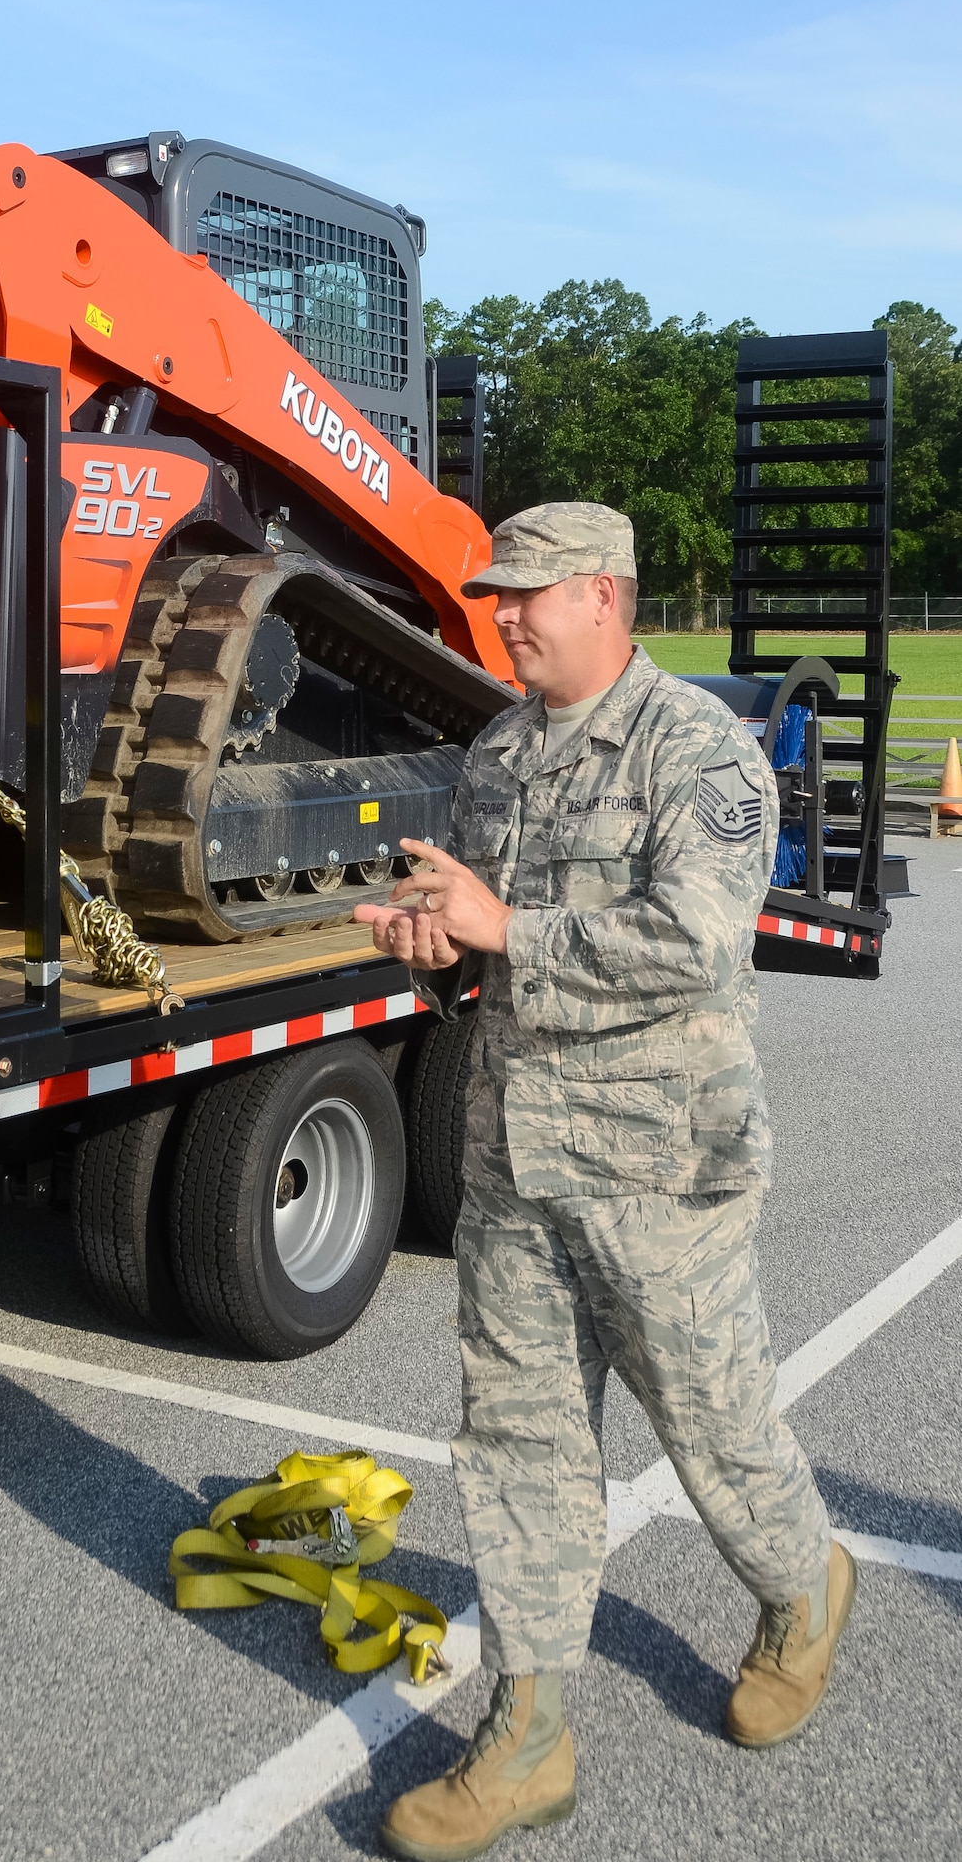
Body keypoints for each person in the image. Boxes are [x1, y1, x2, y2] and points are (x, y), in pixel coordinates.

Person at [354, 502, 854, 1862]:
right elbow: (486, 946)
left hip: (657, 1159)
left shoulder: (701, 751)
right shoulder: (498, 752)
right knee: (515, 1436)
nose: (504, 613)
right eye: (496, 593)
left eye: (530, 592)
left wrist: (501, 925)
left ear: (606, 599)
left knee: (706, 1415)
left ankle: (800, 1585)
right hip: (515, 1152)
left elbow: (693, 941)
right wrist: (441, 949)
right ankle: (526, 1734)